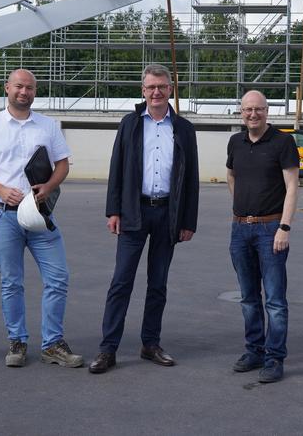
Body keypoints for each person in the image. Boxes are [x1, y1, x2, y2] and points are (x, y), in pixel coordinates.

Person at [0, 69, 83, 368]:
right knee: (11, 282)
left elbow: (62, 165)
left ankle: (52, 344)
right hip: (2, 213)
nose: (24, 92)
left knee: (58, 277)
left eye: (30, 87)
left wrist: (49, 186)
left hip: (39, 213)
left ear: (35, 91)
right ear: (7, 87)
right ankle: (17, 341)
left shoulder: (48, 125)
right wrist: (1, 190)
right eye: (19, 86)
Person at [88, 64, 199, 374]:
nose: (156, 92)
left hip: (168, 213)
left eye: (162, 86)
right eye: (151, 87)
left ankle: (150, 343)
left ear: (170, 89)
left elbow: (190, 178)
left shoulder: (184, 129)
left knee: (158, 283)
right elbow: (117, 168)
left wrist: (188, 220)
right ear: (143, 90)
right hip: (134, 212)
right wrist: (113, 210)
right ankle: (108, 349)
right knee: (121, 282)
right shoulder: (130, 124)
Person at [225, 91, 299, 384]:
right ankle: (254, 350)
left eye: (258, 109)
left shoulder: (282, 142)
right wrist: (242, 209)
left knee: (275, 300)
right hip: (240, 229)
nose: (252, 114)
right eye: (247, 110)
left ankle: (274, 358)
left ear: (267, 111)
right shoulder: (236, 142)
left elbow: (292, 186)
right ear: (241, 112)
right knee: (248, 298)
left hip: (271, 230)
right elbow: (231, 175)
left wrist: (284, 227)